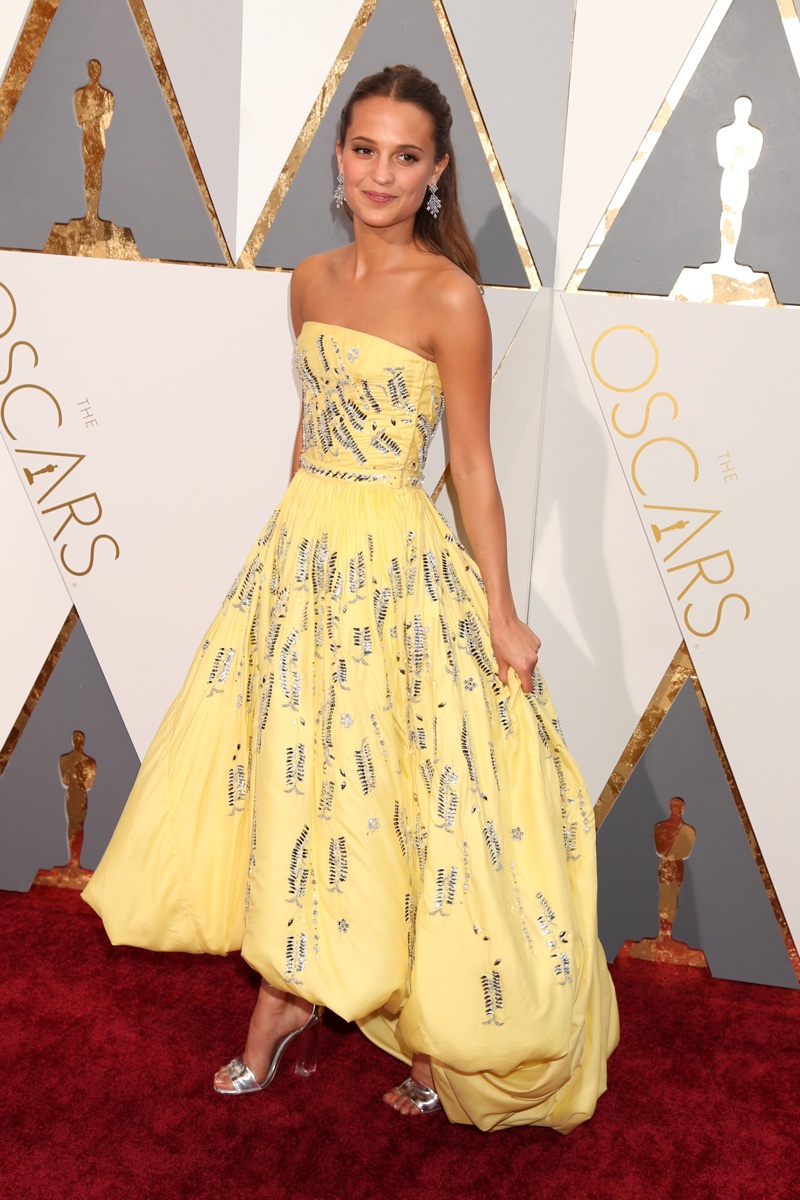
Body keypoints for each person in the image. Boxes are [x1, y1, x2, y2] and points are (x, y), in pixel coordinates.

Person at [83, 64, 618, 1132]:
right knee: (302, 786)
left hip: (398, 566)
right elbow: (308, 424)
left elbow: (469, 467)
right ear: (338, 159)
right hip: (304, 558)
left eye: (404, 155)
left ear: (435, 173)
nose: (380, 172)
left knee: (407, 798)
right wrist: (282, 549)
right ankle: (285, 996)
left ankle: (428, 1017)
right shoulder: (308, 280)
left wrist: (503, 613)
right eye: (363, 149)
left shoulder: (450, 297)